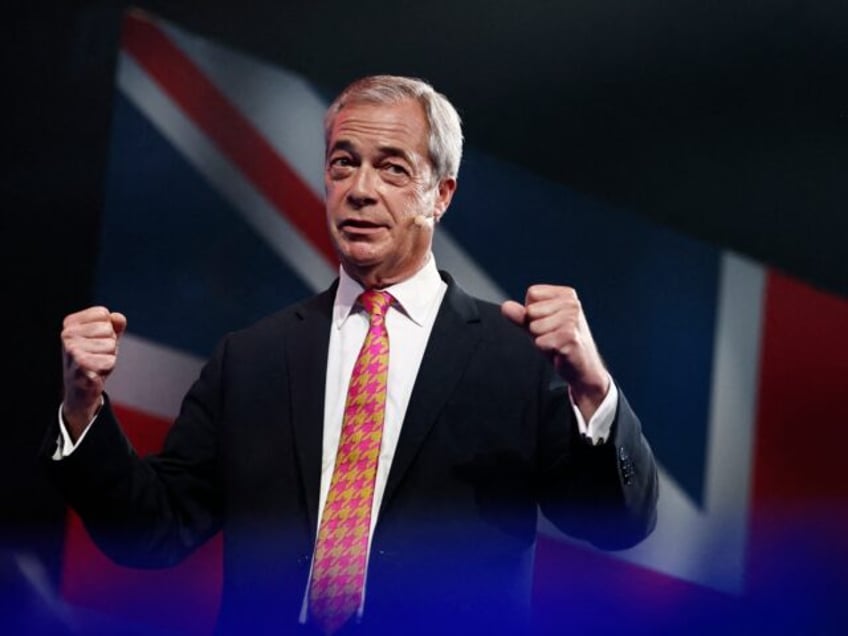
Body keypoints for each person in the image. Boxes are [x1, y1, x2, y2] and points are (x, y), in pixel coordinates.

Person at [44, 75, 658, 636]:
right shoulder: (253, 358)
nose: (360, 190)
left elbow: (618, 524)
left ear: (440, 194)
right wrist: (82, 407)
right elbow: (153, 529)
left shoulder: (518, 360)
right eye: (344, 164)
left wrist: (592, 389)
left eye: (392, 169)